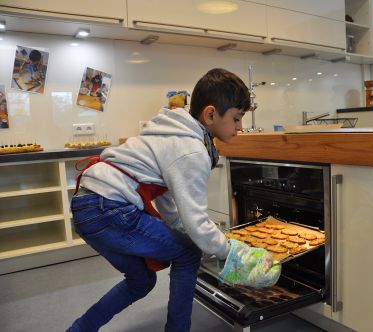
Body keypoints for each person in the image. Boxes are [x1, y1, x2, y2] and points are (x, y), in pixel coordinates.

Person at [67, 68, 280, 332]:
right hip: (109, 206)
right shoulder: (192, 150)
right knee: (189, 252)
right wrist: (233, 252)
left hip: (88, 205)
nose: (240, 127)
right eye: (236, 118)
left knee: (141, 281)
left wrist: (178, 223)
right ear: (211, 114)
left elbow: (165, 193)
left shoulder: (172, 132)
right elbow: (197, 224)